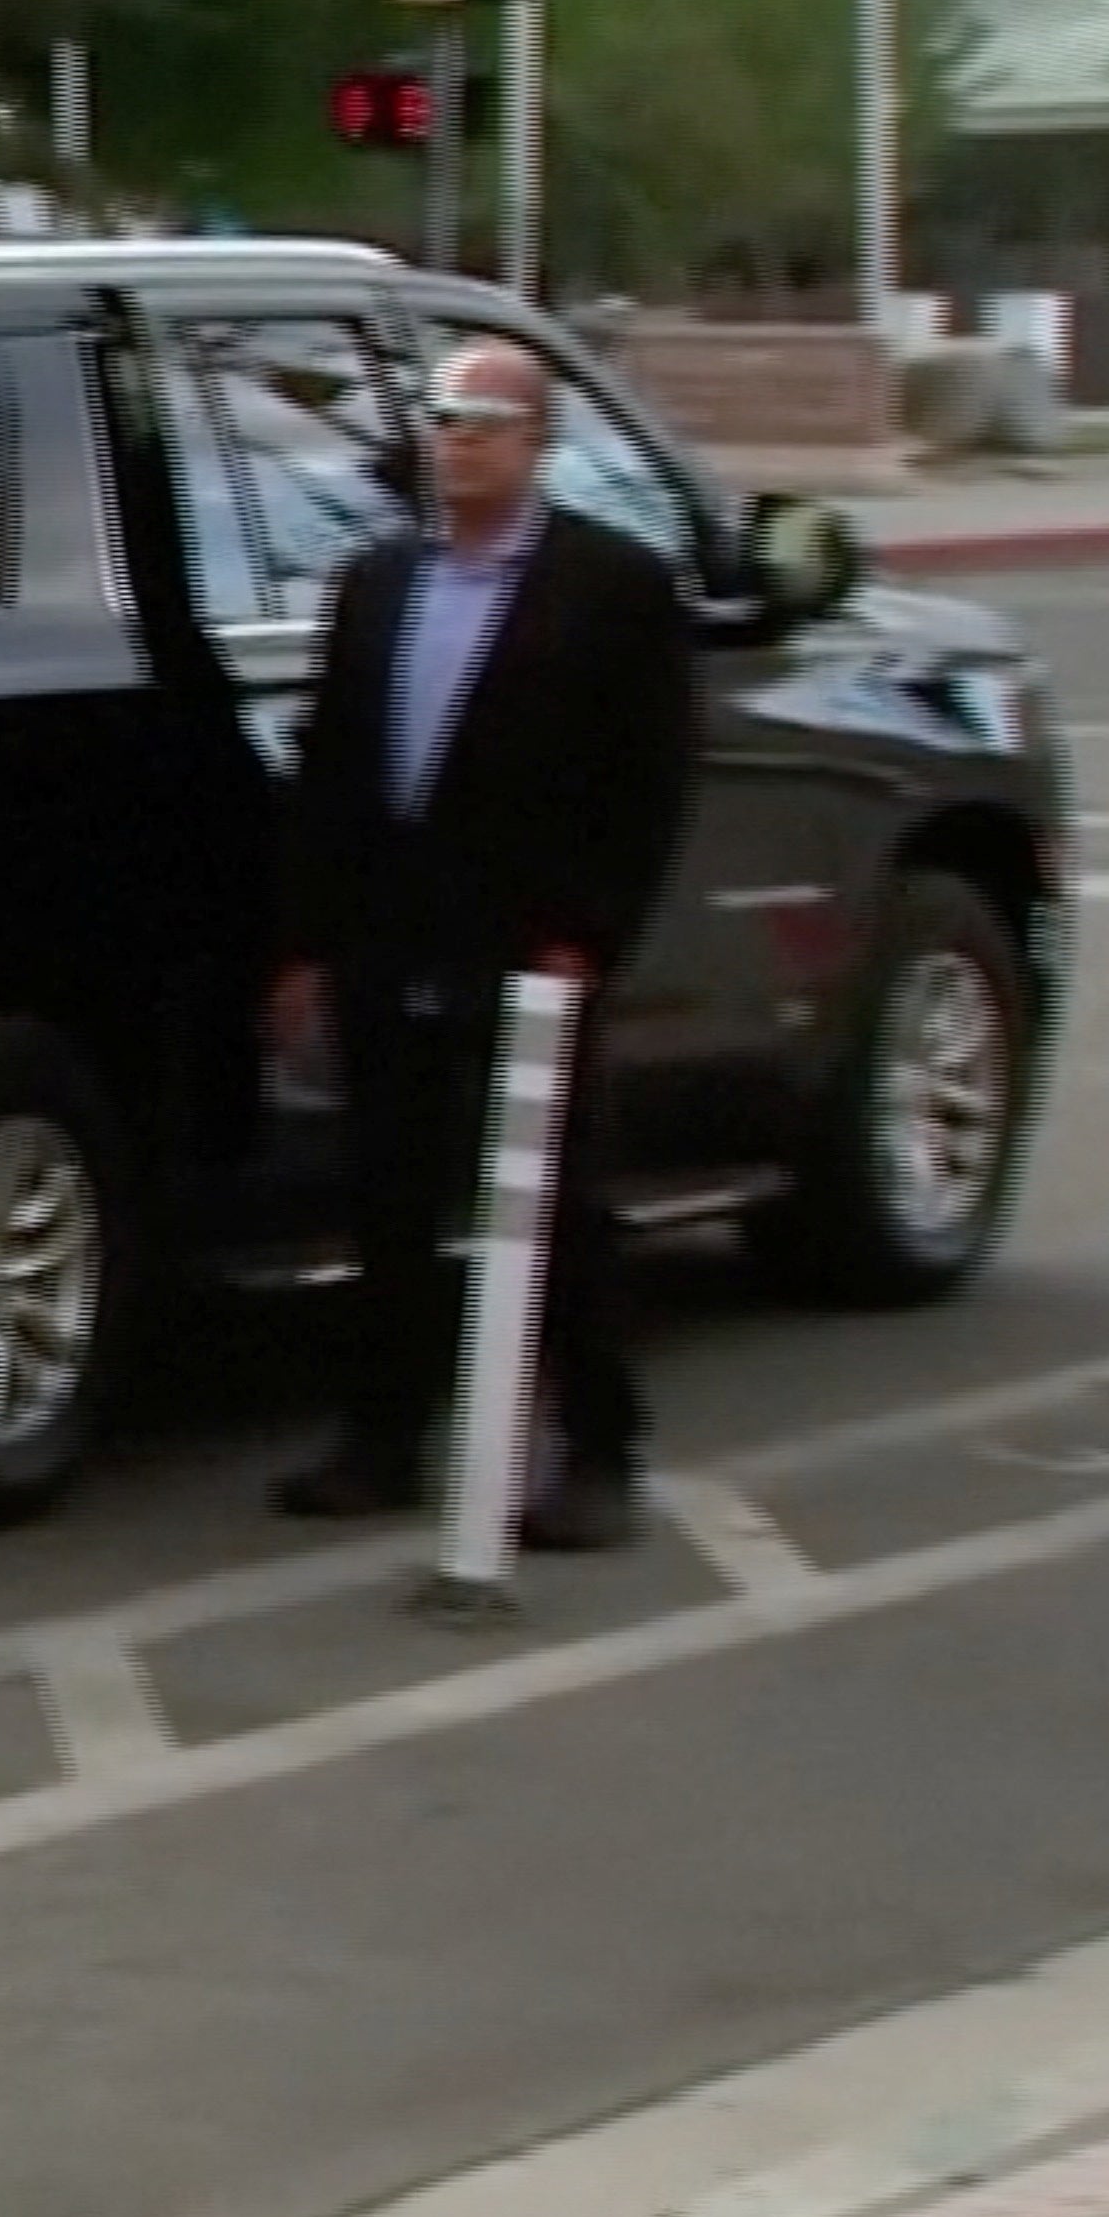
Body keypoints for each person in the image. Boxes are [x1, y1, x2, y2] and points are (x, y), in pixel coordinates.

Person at [270, 339, 701, 1612]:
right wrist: (304, 942)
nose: (453, 442)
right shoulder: (377, 583)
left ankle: (596, 1447)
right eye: (440, 421)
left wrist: (587, 933)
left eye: (479, 422)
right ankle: (383, 1436)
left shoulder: (607, 588)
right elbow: (329, 767)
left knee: (555, 1199)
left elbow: (649, 782)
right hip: (388, 930)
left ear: (533, 444)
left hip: (530, 939)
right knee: (391, 1193)